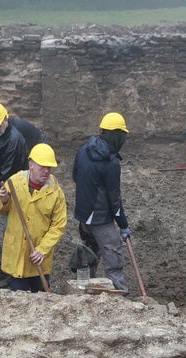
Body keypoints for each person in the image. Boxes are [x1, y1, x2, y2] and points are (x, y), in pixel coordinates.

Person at [0, 143, 68, 292]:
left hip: (38, 258)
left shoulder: (56, 192)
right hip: (18, 255)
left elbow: (58, 226)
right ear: (31, 164)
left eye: (49, 168)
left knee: (41, 303)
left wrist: (42, 249)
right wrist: (4, 200)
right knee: (19, 302)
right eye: (42, 167)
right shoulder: (15, 182)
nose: (46, 171)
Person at [72, 112, 131, 294]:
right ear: (116, 135)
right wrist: (123, 225)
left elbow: (75, 176)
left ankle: (85, 290)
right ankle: (119, 293)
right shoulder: (111, 162)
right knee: (113, 254)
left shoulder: (83, 150)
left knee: (90, 253)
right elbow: (115, 199)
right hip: (101, 218)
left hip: (83, 215)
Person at [0, 102, 30, 289]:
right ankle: (9, 273)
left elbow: (6, 175)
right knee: (9, 233)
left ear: (6, 120)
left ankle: (7, 276)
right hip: (7, 187)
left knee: (10, 234)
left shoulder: (14, 141)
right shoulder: (0, 133)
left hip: (16, 191)